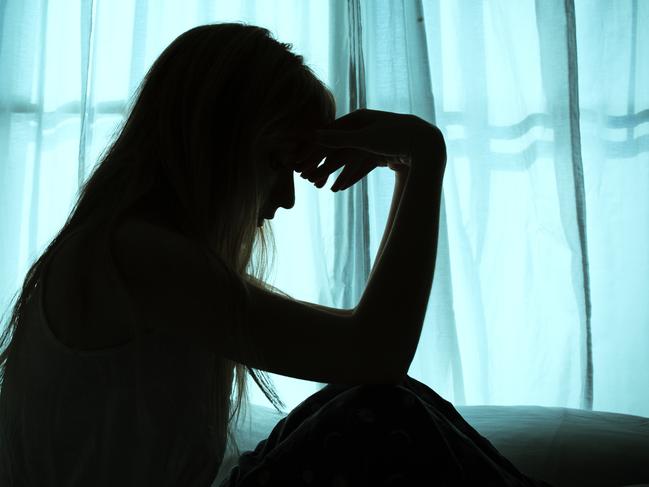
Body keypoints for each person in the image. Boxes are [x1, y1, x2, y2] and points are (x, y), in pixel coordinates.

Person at [0, 23, 552, 486]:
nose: (286, 198)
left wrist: (414, 163)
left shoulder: (130, 251)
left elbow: (371, 360)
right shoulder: (134, 257)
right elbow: (375, 351)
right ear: (216, 145)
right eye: (275, 162)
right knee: (381, 411)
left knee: (380, 398)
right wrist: (422, 158)